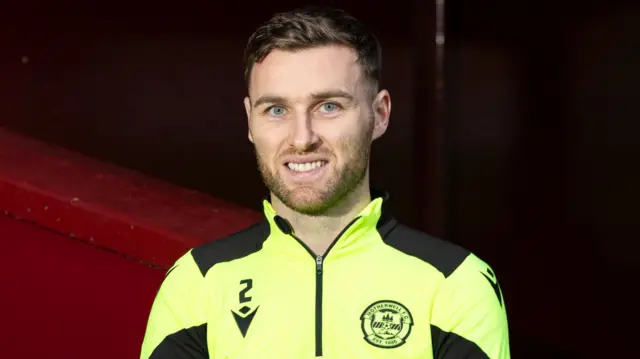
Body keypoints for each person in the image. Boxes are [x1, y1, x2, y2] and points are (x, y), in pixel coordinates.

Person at [140, 5, 510, 359]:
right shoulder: (197, 283)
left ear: (379, 115)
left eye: (328, 106)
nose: (302, 139)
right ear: (250, 121)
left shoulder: (455, 283)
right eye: (277, 110)